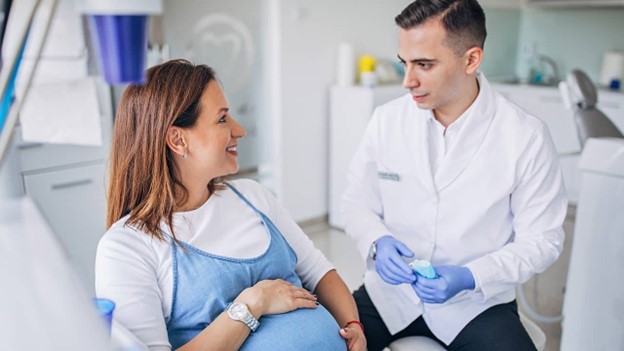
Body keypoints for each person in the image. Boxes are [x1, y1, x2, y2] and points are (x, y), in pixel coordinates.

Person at [341, 1, 567, 350]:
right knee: (319, 342)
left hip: (475, 304)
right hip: (390, 298)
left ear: (471, 60)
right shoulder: (386, 121)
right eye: (405, 63)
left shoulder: (525, 136)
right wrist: (376, 241)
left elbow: (543, 239)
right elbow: (356, 201)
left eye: (424, 65)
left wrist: (472, 276)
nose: (407, 81)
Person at [96, 59, 366, 351]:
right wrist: (252, 303)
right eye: (222, 119)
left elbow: (319, 272)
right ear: (177, 139)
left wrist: (353, 325)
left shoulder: (253, 196)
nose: (239, 130)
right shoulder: (127, 247)